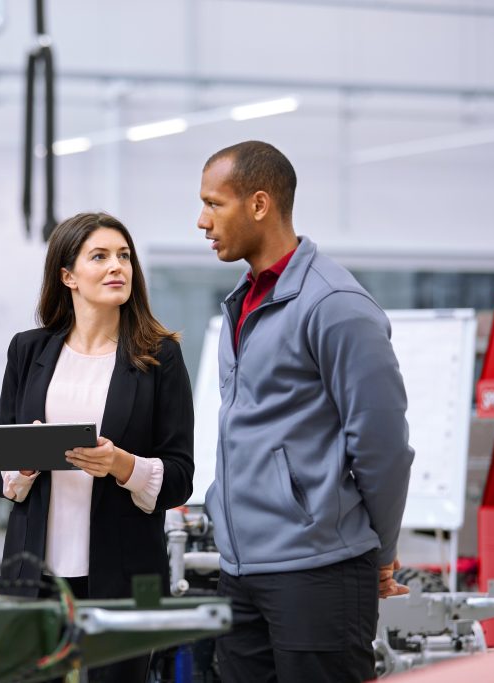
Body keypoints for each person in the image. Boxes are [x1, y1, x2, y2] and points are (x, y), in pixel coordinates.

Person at [197, 140, 414, 682]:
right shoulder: (244, 300)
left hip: (319, 570)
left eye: (214, 204)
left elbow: (382, 442)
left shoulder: (334, 305)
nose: (202, 221)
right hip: (242, 569)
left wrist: (380, 552)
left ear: (260, 204)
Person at [0, 211, 195, 683]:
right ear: (68, 276)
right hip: (34, 575)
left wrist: (122, 465)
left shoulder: (160, 356)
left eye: (124, 256)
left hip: (123, 573)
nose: (116, 266)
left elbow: (181, 476)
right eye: (99, 256)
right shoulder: (28, 350)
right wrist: (27, 460)